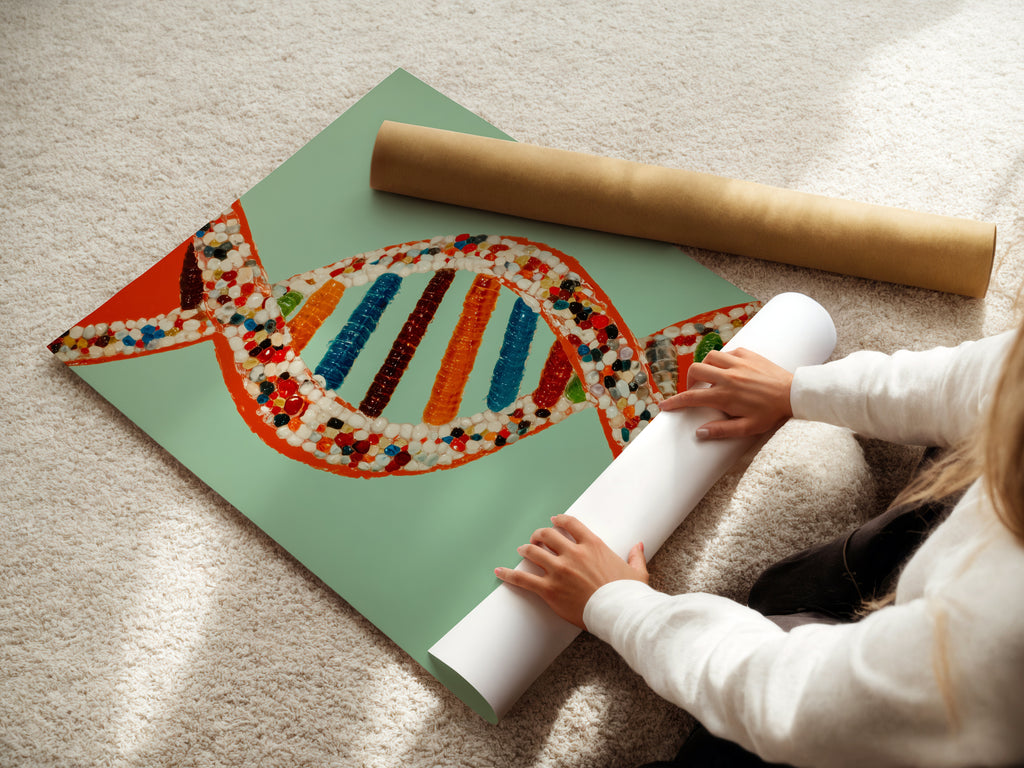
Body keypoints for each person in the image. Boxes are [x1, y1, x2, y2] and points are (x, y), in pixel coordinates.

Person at [495, 322, 1024, 767]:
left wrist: (617, 604)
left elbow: (794, 701)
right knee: (786, 591)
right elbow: (983, 379)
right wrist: (797, 390)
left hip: (948, 717)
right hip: (952, 608)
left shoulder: (999, 636)